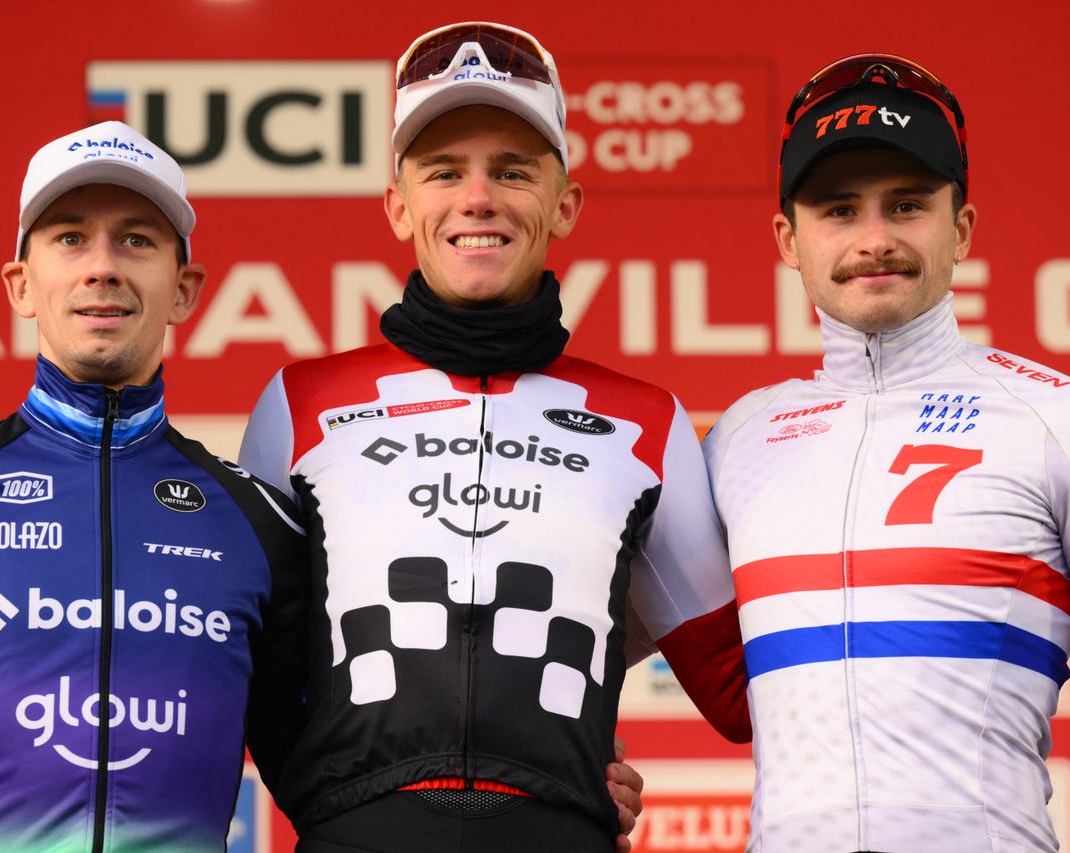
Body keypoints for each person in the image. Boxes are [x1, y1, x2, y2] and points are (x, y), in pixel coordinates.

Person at [239, 21, 749, 853]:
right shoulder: (299, 402)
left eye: (513, 172)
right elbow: (244, 655)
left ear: (565, 203)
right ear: (400, 207)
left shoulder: (645, 421)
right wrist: (340, 801)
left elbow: (737, 690)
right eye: (446, 172)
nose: (479, 198)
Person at [704, 53, 1070, 852]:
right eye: (840, 210)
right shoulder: (735, 440)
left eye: (908, 204)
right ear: (788, 238)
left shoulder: (1067, 419)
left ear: (961, 228)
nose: (875, 239)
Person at [0, 121, 307, 852]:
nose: (102, 267)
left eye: (137, 240)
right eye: (70, 237)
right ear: (20, 285)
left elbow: (328, 785)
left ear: (184, 289)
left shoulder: (259, 524)